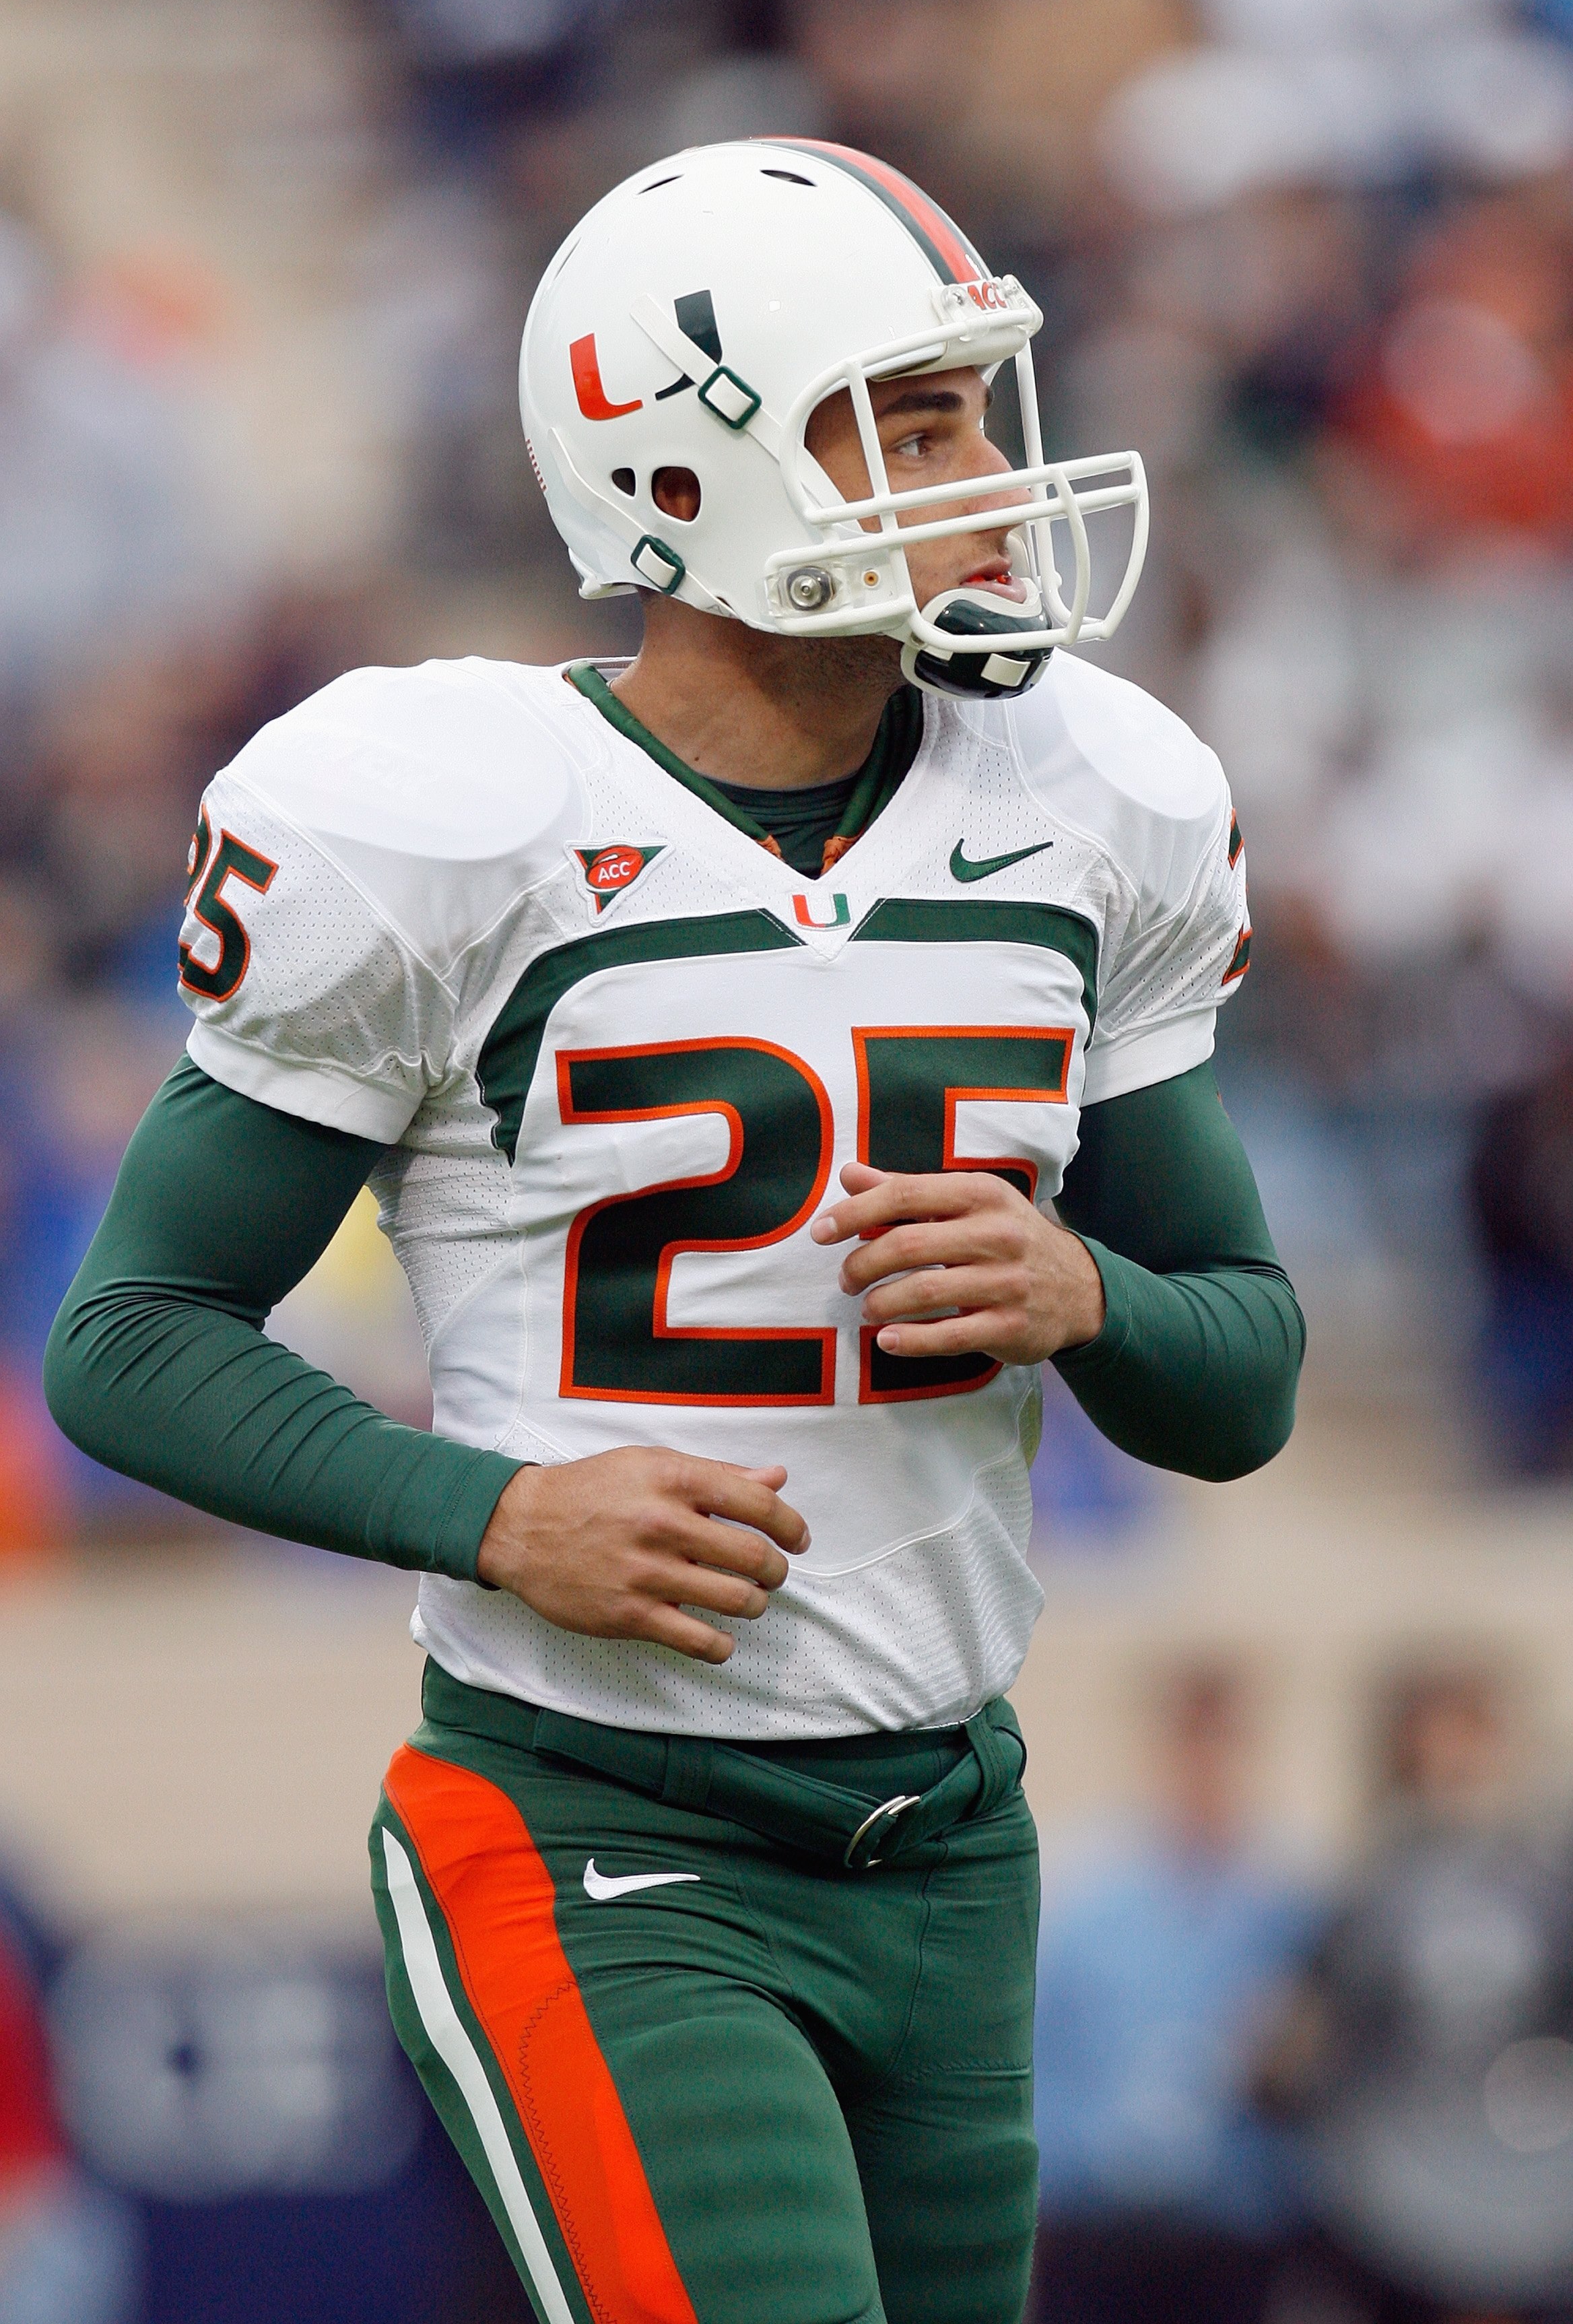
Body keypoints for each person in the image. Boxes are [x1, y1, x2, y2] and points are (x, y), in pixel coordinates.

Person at [43, 140, 1304, 2324]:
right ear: (690, 455)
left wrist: (1088, 1292)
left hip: (950, 1833)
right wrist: (492, 1516)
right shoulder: (446, 815)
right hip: (597, 1832)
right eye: (907, 419)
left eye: (974, 411)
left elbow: (1246, 1376)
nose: (984, 473)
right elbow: (131, 1338)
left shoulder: (1088, 797)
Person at [1259, 1663, 1573, 2324]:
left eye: (1475, 1737)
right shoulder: (1366, 1887)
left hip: (1531, 2217)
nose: (1460, 1763)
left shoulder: (1549, 1880)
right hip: (1396, 2222)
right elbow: (1293, 2054)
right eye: (1439, 1743)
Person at [1032, 1663, 1318, 2324]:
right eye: (1193, 1741)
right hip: (1095, 2224)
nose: (1207, 1765)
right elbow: (1041, 2049)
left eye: (1224, 1742)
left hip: (1235, 2222)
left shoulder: (1290, 1897)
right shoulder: (1084, 1889)